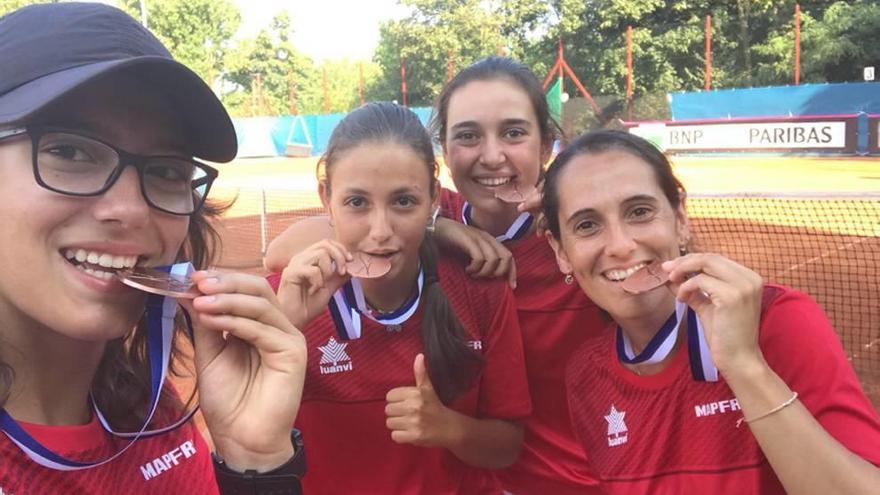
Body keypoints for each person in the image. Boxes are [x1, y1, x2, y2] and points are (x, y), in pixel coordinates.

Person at [0, 4, 305, 494]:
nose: (132, 209)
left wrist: (256, 464)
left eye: (165, 170)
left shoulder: (146, 407)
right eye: (69, 151)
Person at [264, 56, 605, 495]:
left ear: (546, 145)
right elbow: (289, 248)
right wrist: (436, 226)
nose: (492, 155)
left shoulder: (584, 234)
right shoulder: (419, 206)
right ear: (444, 150)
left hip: (581, 479)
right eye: (467, 135)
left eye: (514, 132)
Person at [542, 129, 880, 494]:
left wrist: (745, 365)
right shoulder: (585, 376)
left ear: (681, 219)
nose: (621, 245)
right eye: (587, 225)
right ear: (561, 251)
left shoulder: (776, 321)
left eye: (640, 212)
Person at [270, 102, 532, 494]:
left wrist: (450, 428)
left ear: (433, 197)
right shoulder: (288, 298)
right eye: (357, 202)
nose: (380, 231)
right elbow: (246, 445)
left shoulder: (480, 290)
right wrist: (282, 333)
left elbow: (507, 447)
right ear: (326, 198)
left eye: (403, 202)